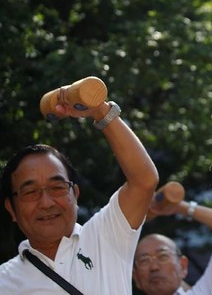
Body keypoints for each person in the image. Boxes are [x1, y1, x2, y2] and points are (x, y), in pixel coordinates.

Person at [0, 98, 159, 294]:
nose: (46, 203)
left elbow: (144, 181)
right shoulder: (4, 282)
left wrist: (100, 110)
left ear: (75, 194)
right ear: (11, 208)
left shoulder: (106, 237)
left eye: (57, 187)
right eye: (30, 192)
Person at [132, 199, 212, 295]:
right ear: (135, 277)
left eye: (162, 256)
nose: (154, 267)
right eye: (144, 260)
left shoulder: (205, 292)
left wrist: (180, 207)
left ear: (183, 266)